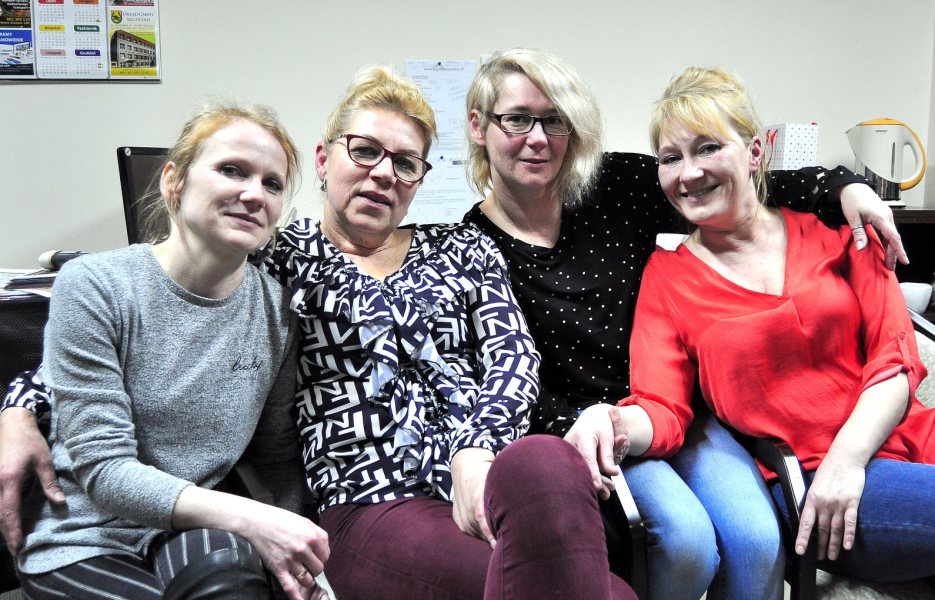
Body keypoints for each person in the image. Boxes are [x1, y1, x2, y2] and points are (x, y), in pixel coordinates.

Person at [3, 68, 635, 600]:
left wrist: (474, 449)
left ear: (419, 181)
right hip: (373, 497)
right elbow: (145, 308)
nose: (384, 173)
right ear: (325, 160)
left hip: (482, 482)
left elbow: (515, 361)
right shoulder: (278, 257)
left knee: (547, 458)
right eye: (366, 151)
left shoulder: (463, 247)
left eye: (406, 163)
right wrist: (20, 405)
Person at [461, 48, 909, 600]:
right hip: (593, 428)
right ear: (479, 127)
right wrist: (579, 429)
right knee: (685, 541)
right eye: (517, 119)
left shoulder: (611, 186)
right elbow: (501, 370)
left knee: (754, 538)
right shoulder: (469, 247)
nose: (537, 138)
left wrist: (844, 186)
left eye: (554, 120)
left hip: (678, 406)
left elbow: (735, 182)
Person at [588, 65, 935, 583]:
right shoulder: (667, 278)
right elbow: (662, 409)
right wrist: (611, 424)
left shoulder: (843, 230)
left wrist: (848, 460)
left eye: (708, 148)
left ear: (755, 153)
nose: (688, 173)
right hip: (811, 483)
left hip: (890, 448)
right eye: (670, 158)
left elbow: (895, 360)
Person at [0, 102, 332, 599]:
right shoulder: (96, 286)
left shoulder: (278, 312)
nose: (253, 194)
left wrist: (296, 561)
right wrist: (254, 519)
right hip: (83, 534)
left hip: (191, 528)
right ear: (173, 180)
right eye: (231, 170)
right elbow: (105, 472)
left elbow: (277, 457)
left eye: (272, 184)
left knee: (234, 586)